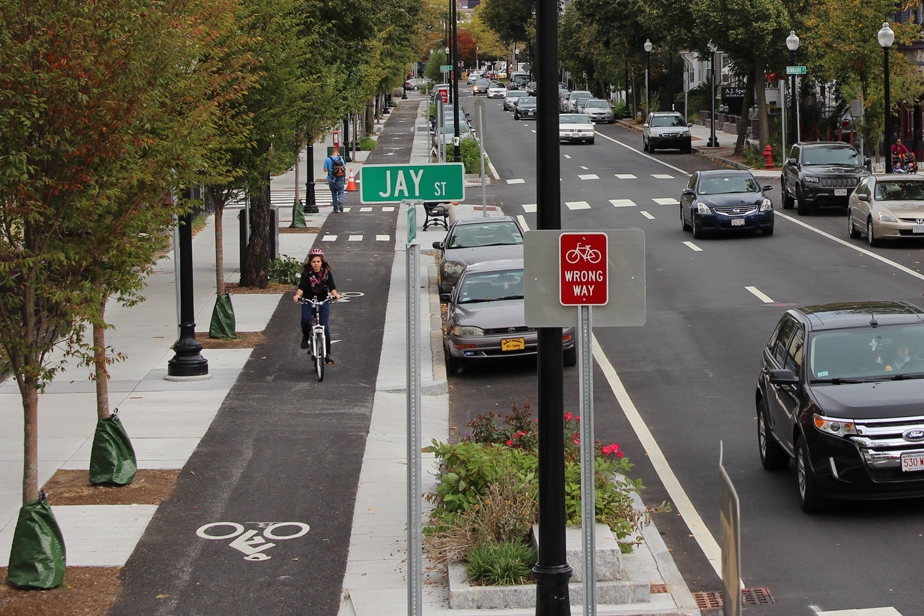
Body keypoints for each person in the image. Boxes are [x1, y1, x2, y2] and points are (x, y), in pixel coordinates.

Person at [293, 248, 341, 362]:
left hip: (323, 300)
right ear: (310, 262)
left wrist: (335, 294)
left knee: (325, 327)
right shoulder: (307, 274)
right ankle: (305, 337)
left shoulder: (326, 273)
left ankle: (327, 354)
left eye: (318, 261)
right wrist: (297, 296)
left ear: (322, 262)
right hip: (309, 300)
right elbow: (301, 287)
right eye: (314, 262)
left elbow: (332, 287)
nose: (316, 264)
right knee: (305, 320)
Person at [323, 147, 346, 213]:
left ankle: (336, 208)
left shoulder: (327, 159)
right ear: (337, 152)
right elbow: (344, 167)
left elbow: (325, 170)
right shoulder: (340, 159)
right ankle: (340, 200)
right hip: (340, 178)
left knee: (333, 194)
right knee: (341, 191)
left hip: (331, 179)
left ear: (331, 153)